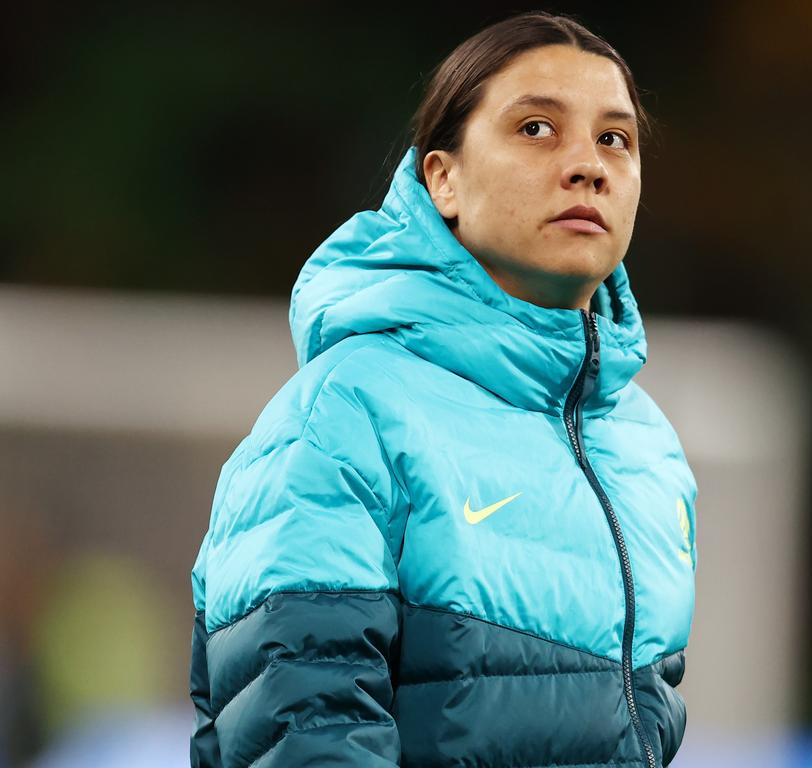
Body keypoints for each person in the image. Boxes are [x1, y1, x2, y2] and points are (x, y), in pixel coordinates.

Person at [189, 10, 699, 768]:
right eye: (536, 128)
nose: (588, 164)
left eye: (614, 138)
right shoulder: (345, 412)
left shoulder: (649, 451)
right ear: (443, 179)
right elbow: (303, 732)